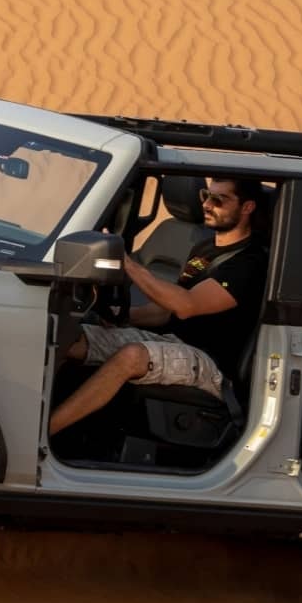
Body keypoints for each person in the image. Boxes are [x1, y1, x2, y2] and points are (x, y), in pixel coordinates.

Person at [48, 177, 269, 435]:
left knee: (132, 356)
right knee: (69, 338)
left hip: (211, 365)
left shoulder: (249, 263)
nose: (207, 205)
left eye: (219, 200)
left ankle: (44, 435)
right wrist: (122, 319)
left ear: (247, 207)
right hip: (173, 342)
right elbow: (164, 311)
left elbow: (186, 305)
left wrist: (127, 264)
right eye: (205, 196)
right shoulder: (205, 248)